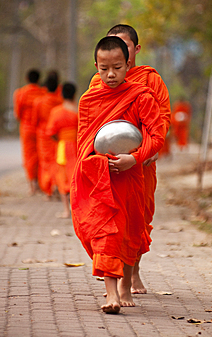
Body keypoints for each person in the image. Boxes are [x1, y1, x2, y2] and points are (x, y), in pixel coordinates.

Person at [70, 36, 164, 314]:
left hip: (130, 175)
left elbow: (156, 136)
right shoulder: (89, 99)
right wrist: (97, 163)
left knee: (129, 230)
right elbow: (84, 141)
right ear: (95, 66)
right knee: (105, 232)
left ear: (128, 64)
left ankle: (123, 286)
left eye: (117, 68)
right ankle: (111, 293)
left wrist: (133, 159)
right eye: (103, 68)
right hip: (100, 177)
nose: (110, 75)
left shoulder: (141, 96)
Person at [90, 24, 171, 294]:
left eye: (123, 47)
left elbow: (162, 120)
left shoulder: (149, 81)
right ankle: (113, 271)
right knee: (109, 219)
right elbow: (90, 127)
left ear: (134, 50)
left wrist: (145, 151)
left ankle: (132, 271)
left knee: (139, 217)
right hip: (107, 165)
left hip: (141, 161)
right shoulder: (97, 83)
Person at [46, 83, 78, 218]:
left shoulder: (57, 111)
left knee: (63, 177)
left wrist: (59, 139)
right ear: (74, 94)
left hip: (63, 147)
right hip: (78, 146)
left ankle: (66, 210)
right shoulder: (79, 110)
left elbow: (51, 132)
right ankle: (77, 209)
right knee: (77, 176)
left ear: (62, 94)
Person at [14, 69, 45, 195]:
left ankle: (32, 186)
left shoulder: (20, 93)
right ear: (39, 79)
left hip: (27, 128)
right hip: (40, 128)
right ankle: (42, 184)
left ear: (27, 78)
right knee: (41, 155)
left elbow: (17, 113)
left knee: (29, 156)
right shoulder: (43, 93)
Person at [32, 77, 63, 199]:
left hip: (43, 134)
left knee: (45, 162)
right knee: (57, 160)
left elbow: (35, 120)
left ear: (45, 87)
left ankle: (48, 188)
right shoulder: (60, 101)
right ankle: (57, 184)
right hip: (57, 135)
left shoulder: (39, 102)